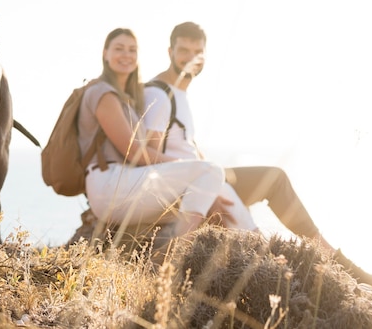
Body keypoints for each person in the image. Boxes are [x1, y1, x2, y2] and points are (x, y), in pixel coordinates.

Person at [142, 21, 372, 286]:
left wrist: (205, 166)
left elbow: (181, 144)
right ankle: (331, 267)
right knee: (264, 209)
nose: (191, 58)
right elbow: (151, 154)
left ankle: (335, 261)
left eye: (197, 52)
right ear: (169, 52)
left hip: (205, 176)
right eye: (183, 51)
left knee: (274, 180)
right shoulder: (158, 93)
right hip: (193, 185)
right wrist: (203, 189)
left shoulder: (179, 92)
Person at [78, 27, 257, 240]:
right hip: (108, 185)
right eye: (119, 49)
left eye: (132, 50)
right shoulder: (103, 93)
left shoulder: (125, 96)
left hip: (124, 183)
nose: (126, 55)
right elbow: (135, 152)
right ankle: (176, 252)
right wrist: (187, 166)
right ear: (105, 53)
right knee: (210, 171)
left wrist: (202, 182)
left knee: (214, 179)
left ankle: (256, 240)